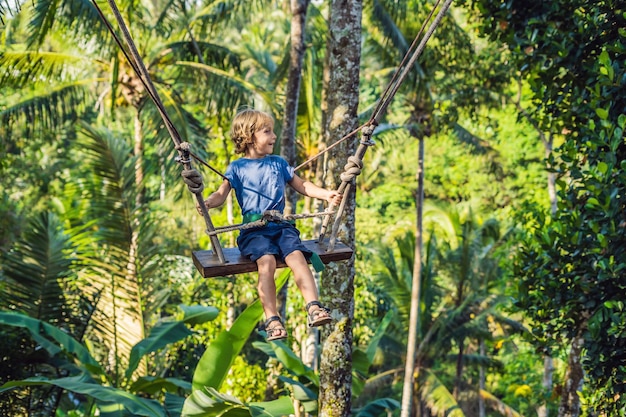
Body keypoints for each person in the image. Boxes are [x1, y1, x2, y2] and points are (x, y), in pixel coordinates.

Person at [199, 108, 342, 341]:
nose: (274, 136)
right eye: (267, 132)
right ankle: (272, 319)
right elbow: (220, 194)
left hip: (281, 226)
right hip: (254, 231)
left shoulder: (278, 163)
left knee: (296, 255)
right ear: (249, 136)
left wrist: (326, 194)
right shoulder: (236, 168)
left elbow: (302, 185)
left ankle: (314, 306)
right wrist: (206, 203)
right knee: (266, 263)